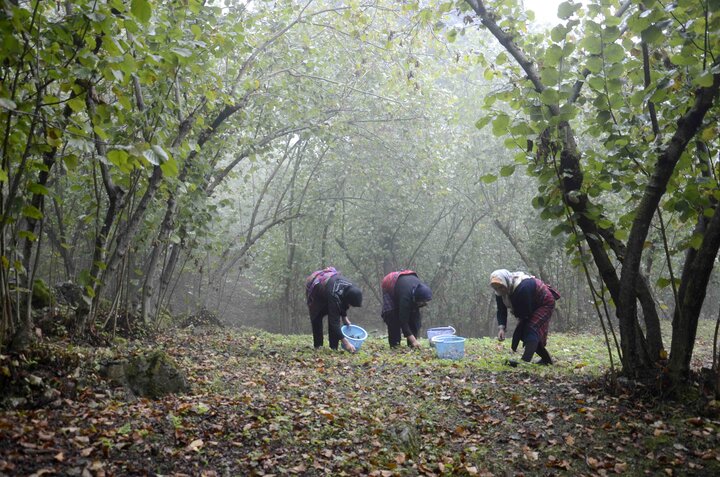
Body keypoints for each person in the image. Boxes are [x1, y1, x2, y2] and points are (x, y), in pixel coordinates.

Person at [490, 269, 559, 365]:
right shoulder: (499, 293)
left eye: (501, 287)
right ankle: (546, 360)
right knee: (525, 332)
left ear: (506, 282)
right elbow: (501, 310)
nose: (499, 290)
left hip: (544, 302)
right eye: (496, 288)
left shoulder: (522, 288)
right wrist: (502, 328)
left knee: (530, 328)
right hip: (531, 303)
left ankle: (525, 361)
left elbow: (526, 313)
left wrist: (520, 329)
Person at [305, 266, 363, 352]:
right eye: (351, 304)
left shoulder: (351, 287)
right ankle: (318, 346)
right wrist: (346, 343)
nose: (350, 306)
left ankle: (333, 348)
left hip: (329, 289)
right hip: (316, 291)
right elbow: (334, 323)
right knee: (317, 317)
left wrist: (344, 316)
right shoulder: (334, 295)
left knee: (334, 315)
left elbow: (344, 303)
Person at [381, 270, 432, 348]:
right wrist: (414, 341)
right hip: (390, 283)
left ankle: (412, 346)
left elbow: (416, 319)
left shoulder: (419, 292)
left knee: (414, 318)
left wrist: (413, 338)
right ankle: (395, 345)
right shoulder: (406, 298)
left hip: (405, 285)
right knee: (392, 316)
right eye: (423, 302)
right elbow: (403, 321)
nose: (424, 304)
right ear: (417, 298)